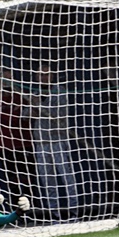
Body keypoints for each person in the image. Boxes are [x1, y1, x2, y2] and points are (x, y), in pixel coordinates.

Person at [24, 64, 78, 222]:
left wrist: (39, 105)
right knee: (47, 180)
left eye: (46, 75)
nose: (43, 78)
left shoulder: (59, 92)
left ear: (52, 76)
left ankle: (74, 212)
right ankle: (54, 214)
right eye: (40, 75)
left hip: (57, 140)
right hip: (41, 142)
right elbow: (25, 115)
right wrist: (34, 105)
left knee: (66, 176)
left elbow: (57, 114)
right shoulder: (34, 93)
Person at [0, 68, 34, 198]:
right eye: (5, 79)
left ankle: (33, 205)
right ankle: (16, 206)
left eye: (10, 79)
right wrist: (13, 114)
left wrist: (6, 116)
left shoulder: (21, 97)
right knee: (12, 179)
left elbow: (27, 115)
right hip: (5, 145)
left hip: (24, 143)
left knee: (28, 178)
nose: (8, 82)